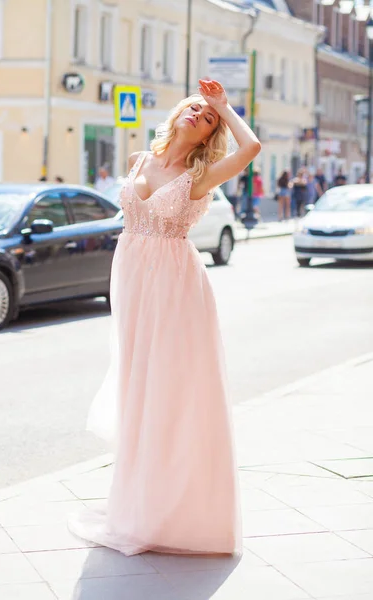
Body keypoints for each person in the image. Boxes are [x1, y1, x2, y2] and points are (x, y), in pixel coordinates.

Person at [67, 79, 261, 557]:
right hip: (132, 280)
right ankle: (138, 504)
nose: (201, 114)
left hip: (175, 286)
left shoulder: (201, 174)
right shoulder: (139, 160)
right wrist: (208, 104)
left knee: (171, 392)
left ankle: (178, 513)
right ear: (178, 114)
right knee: (137, 388)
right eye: (196, 107)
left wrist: (225, 106)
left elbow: (252, 147)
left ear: (210, 134)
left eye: (208, 118)